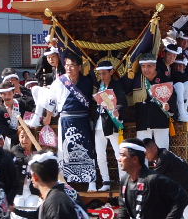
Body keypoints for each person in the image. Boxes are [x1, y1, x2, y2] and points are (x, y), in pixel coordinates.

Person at [113, 139, 188, 219]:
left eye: (123, 155)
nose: (119, 159)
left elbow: (181, 197)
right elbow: (123, 205)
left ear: (135, 159)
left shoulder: (154, 179)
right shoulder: (125, 180)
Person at [44, 52, 97, 189]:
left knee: (87, 148)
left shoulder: (87, 81)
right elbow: (51, 101)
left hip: (83, 119)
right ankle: (64, 180)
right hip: (65, 119)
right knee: (64, 150)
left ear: (79, 67)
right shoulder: (59, 82)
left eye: (72, 65)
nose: (69, 68)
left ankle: (91, 181)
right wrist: (48, 116)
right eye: (67, 65)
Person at [129, 53, 177, 150]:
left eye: (149, 66)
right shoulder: (137, 79)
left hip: (160, 120)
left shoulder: (164, 79)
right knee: (142, 152)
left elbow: (173, 98)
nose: (146, 69)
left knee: (162, 151)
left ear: (155, 66)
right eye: (143, 66)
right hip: (143, 121)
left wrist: (169, 107)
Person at [93, 60, 128, 191]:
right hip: (98, 123)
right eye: (100, 74)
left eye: (104, 73)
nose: (102, 76)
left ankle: (123, 181)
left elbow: (123, 102)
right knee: (100, 154)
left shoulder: (117, 85)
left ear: (111, 72)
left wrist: (118, 109)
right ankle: (106, 181)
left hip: (112, 122)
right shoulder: (98, 85)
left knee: (119, 154)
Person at [10, 128, 40, 219]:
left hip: (32, 191)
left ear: (33, 138)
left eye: (27, 136)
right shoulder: (16, 150)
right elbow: (22, 159)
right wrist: (38, 156)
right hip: (18, 190)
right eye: (22, 136)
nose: (24, 140)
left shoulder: (37, 149)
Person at [0, 80, 27, 147]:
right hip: (10, 142)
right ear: (0, 95)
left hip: (26, 138)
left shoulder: (22, 103)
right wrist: (18, 134)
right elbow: (3, 129)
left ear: (13, 92)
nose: (7, 97)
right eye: (4, 94)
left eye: (9, 93)